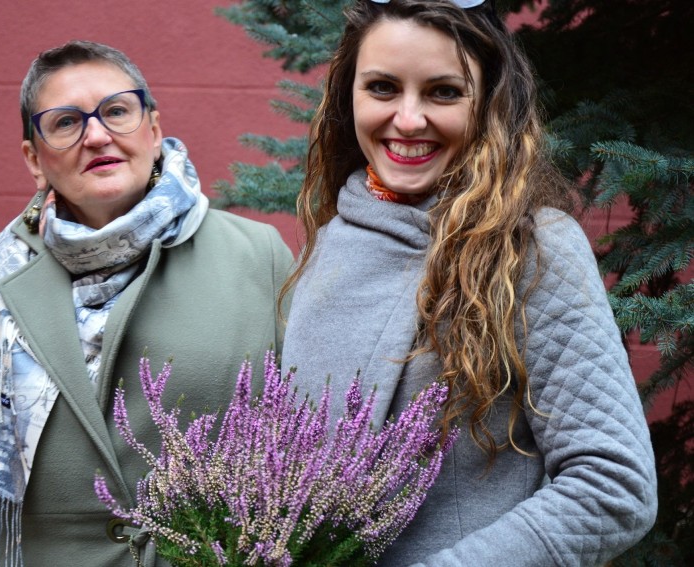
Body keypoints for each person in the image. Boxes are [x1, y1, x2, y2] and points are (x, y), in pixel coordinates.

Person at [280, 1, 657, 565]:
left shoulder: (531, 246)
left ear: (489, 103)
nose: (408, 120)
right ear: (346, 97)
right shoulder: (330, 240)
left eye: (443, 92)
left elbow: (613, 487)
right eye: (382, 88)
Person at [0, 40, 293, 566]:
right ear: (34, 159)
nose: (96, 135)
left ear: (154, 131)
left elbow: (306, 443)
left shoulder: (257, 255)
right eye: (66, 122)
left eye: (117, 111)